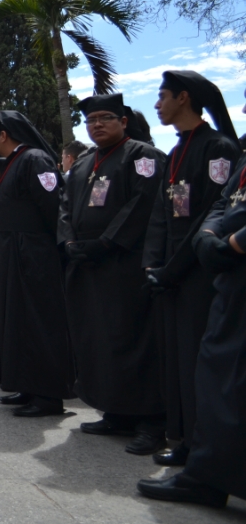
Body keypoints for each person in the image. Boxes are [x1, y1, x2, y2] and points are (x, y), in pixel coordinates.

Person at [58, 94, 168, 455]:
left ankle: (151, 421)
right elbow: (64, 206)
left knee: (132, 340)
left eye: (105, 118)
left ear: (123, 121)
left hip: (124, 263)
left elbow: (143, 203)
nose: (97, 125)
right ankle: (115, 411)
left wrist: (107, 243)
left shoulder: (142, 156)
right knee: (98, 341)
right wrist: (68, 241)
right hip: (86, 264)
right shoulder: (84, 162)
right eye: (91, 120)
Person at [142, 70, 239, 466]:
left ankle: (203, 445)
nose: (157, 104)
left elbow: (210, 216)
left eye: (163, 96)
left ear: (183, 98)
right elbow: (161, 212)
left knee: (198, 360)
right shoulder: (177, 151)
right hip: (171, 272)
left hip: (198, 270)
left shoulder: (218, 148)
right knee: (177, 360)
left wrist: (173, 269)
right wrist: (153, 262)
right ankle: (182, 436)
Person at [138, 152, 246, 507]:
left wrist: (234, 243)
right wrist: (210, 233)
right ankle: (209, 474)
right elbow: (224, 200)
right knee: (218, 378)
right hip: (232, 280)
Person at [0, 110, 75, 417]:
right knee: (19, 321)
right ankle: (27, 384)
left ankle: (48, 395)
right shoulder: (16, 161)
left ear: (4, 135)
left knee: (37, 321)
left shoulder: (35, 159)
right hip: (15, 253)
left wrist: (46, 248)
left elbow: (52, 205)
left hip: (32, 254)